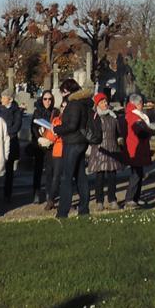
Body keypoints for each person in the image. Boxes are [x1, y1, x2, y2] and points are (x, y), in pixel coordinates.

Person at [53, 78, 94, 220]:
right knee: (81, 176)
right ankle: (84, 209)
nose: (62, 94)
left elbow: (72, 125)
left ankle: (62, 212)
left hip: (73, 142)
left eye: (63, 91)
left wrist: (57, 129)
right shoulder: (83, 102)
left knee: (67, 177)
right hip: (80, 142)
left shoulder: (75, 104)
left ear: (68, 91)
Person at [87, 92, 125, 210]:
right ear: (97, 104)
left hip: (112, 148)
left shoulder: (113, 116)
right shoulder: (95, 117)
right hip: (99, 150)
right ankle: (99, 201)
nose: (105, 104)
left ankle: (113, 200)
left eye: (106, 102)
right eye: (102, 102)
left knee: (112, 176)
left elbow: (118, 132)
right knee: (100, 177)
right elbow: (90, 132)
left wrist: (120, 139)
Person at [122, 94, 155, 209]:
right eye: (141, 103)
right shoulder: (132, 115)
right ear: (137, 104)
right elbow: (138, 130)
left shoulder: (133, 114)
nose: (142, 105)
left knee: (139, 174)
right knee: (135, 175)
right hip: (135, 148)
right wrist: (150, 132)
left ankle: (135, 197)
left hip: (138, 146)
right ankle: (129, 199)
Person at [29, 90, 56, 204]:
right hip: (39, 144)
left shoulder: (55, 112)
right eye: (45, 99)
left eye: (50, 99)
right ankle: (36, 192)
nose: (47, 101)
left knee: (50, 170)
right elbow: (34, 127)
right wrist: (39, 137)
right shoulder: (37, 112)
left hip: (50, 144)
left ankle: (49, 193)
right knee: (38, 170)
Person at [0, 90, 24, 200]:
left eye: (4, 97)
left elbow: (16, 126)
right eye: (2, 97)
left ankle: (7, 194)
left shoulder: (16, 110)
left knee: (9, 171)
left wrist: (7, 132)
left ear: (10, 99)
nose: (2, 99)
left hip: (11, 141)